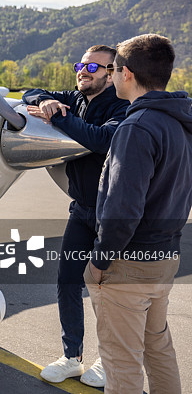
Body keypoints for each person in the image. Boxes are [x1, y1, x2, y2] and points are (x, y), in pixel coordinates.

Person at [84, 34, 191, 394]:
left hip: (129, 262)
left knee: (121, 361)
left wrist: (100, 259)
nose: (111, 76)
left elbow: (123, 208)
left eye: (112, 70)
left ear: (126, 74)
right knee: (158, 348)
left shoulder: (136, 127)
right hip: (165, 256)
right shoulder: (179, 123)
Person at [22, 45, 129, 387]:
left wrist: (60, 116)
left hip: (111, 215)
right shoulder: (75, 98)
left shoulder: (123, 106)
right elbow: (31, 91)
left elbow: (100, 140)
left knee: (107, 292)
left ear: (112, 73)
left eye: (94, 66)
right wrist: (45, 101)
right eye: (81, 64)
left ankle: (109, 361)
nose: (83, 70)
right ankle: (72, 357)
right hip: (81, 210)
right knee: (67, 281)